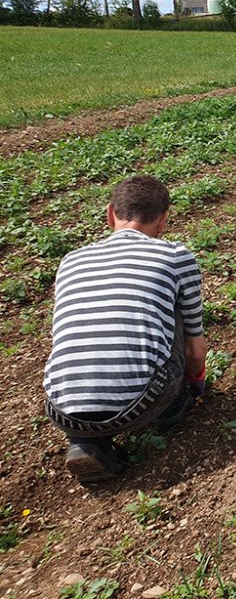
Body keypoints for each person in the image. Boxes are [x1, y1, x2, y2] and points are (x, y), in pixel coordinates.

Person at [43, 175, 208, 482]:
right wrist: (196, 385)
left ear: (110, 214)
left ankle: (86, 443)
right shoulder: (174, 256)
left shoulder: (71, 261)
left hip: (60, 409)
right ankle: (170, 411)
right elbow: (194, 349)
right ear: (162, 222)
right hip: (141, 402)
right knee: (175, 313)